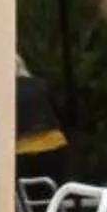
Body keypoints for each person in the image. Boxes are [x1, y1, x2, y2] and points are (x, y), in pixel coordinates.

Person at [14, 56, 67, 184]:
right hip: (55, 146)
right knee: (54, 192)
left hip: (23, 151)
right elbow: (57, 112)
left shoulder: (8, 90)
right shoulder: (41, 84)